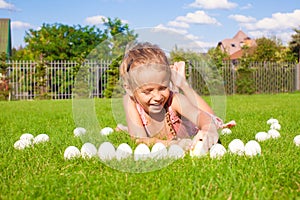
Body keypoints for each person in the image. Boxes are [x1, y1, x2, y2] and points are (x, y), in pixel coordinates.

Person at [118, 42, 231, 151]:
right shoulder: (130, 101)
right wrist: (171, 144)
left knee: (212, 119)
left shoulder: (174, 101)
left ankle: (182, 83)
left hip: (193, 124)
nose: (157, 97)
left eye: (163, 87)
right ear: (130, 89)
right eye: (148, 91)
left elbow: (204, 118)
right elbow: (139, 139)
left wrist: (208, 129)